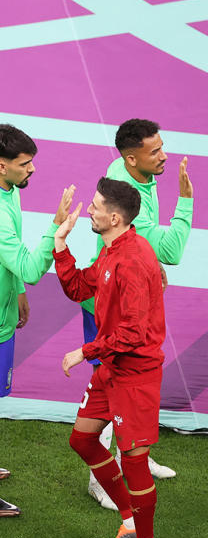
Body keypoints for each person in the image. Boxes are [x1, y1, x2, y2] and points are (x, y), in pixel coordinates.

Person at [0, 123, 74, 516]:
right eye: (25, 164)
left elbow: (13, 259)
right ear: (2, 165)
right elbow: (28, 262)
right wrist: (57, 227)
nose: (33, 170)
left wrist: (18, 290)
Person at [54, 177, 165, 538]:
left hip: (135, 374)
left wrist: (85, 351)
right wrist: (61, 244)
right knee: (83, 438)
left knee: (135, 461)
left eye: (97, 206)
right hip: (112, 368)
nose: (90, 210)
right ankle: (130, 520)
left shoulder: (133, 260)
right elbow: (78, 286)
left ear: (114, 217)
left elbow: (134, 333)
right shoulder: (112, 249)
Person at [81, 119, 191, 509]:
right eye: (155, 151)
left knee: (131, 388)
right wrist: (186, 202)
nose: (163, 156)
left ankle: (136, 451)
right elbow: (172, 250)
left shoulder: (139, 173)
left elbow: (147, 248)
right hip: (111, 307)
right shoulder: (127, 193)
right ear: (131, 158)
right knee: (112, 385)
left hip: (124, 293)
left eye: (161, 147)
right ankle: (101, 479)